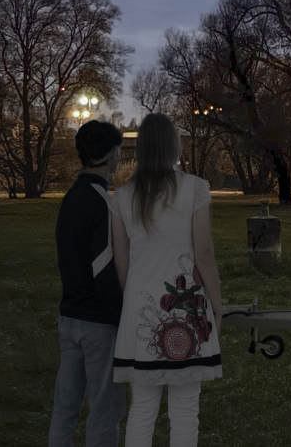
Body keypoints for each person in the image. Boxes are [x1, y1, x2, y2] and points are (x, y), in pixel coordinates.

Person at [110, 113, 222, 447]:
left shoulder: (122, 196)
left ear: (139, 149)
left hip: (140, 309)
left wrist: (131, 303)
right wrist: (217, 307)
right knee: (186, 410)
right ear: (174, 146)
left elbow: (121, 261)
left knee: (142, 410)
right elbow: (203, 253)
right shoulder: (195, 189)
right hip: (189, 308)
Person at [50, 121, 125, 447]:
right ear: (113, 155)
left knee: (64, 408)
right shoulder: (103, 204)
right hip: (98, 323)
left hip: (69, 318)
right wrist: (121, 319)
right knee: (104, 410)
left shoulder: (70, 199)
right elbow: (105, 271)